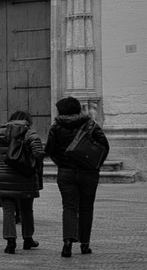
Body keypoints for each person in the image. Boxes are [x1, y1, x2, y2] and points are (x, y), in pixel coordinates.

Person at [45, 95, 109, 257]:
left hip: (66, 172)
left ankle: (67, 242)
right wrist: (95, 165)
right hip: (88, 172)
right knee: (86, 208)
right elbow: (104, 146)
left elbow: (49, 150)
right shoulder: (91, 124)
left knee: (69, 207)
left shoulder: (56, 127)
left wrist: (61, 162)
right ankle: (85, 244)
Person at [0, 109, 44, 254]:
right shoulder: (30, 132)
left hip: (3, 176)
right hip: (25, 176)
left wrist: (1, 162)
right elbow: (38, 153)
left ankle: (10, 241)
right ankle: (28, 238)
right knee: (26, 209)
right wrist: (30, 164)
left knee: (8, 209)